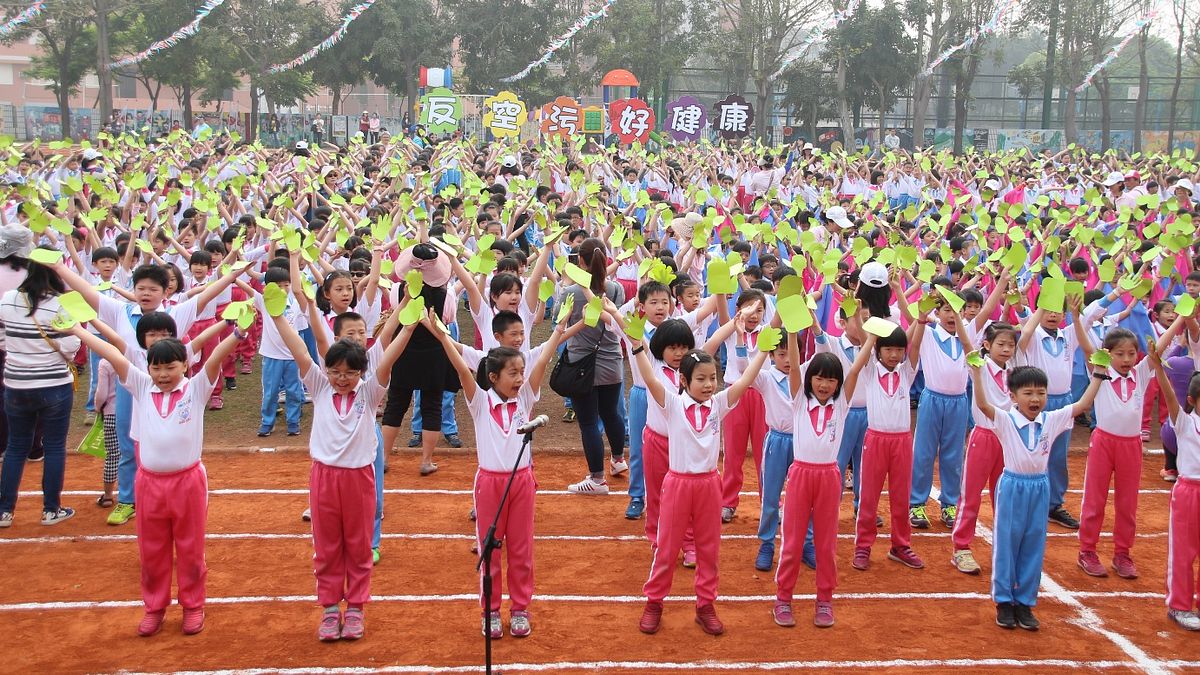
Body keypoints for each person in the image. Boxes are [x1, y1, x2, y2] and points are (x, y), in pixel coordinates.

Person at [70, 315, 243, 636]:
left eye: (170, 367)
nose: (163, 374)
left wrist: (237, 333)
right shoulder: (140, 385)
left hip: (188, 482)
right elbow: (113, 355)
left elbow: (215, 357)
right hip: (149, 484)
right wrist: (78, 330)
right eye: (157, 368)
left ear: (185, 365)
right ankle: (155, 607)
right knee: (152, 552)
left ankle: (193, 606)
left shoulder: (196, 388)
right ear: (148, 369)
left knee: (190, 551)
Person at [269, 289, 414, 642]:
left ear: (361, 372)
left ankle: (357, 609)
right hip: (324, 478)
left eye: (349, 372)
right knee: (328, 546)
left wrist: (407, 327)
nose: (341, 378)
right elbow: (302, 351)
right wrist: (276, 317)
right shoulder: (319, 387)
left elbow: (387, 357)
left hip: (360, 479)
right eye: (335, 371)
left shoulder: (369, 392)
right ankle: (331, 608)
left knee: (359, 545)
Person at [633, 316, 770, 636]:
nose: (709, 385)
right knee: (666, 548)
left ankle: (705, 605)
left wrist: (762, 351)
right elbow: (651, 378)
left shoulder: (718, 404)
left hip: (709, 485)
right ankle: (654, 602)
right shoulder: (671, 404)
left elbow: (746, 380)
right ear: (684, 381)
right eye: (702, 379)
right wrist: (637, 344)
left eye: (713, 378)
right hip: (678, 484)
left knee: (709, 549)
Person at [433, 308, 563, 639]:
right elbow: (462, 368)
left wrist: (558, 330)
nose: (521, 378)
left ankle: (520, 608)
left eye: (522, 372)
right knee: (490, 548)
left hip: (522, 482)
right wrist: (439, 333)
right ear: (493, 378)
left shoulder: (526, 399)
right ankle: (490, 611)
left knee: (522, 549)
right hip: (489, 483)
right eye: (513, 373)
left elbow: (544, 361)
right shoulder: (479, 401)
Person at [970, 359, 1103, 631]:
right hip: (1012, 487)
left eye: (1041, 393)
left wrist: (1099, 376)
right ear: (1013, 396)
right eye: (1028, 393)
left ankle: (1025, 602)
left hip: (1040, 487)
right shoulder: (1006, 420)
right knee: (1007, 542)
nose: (1035, 399)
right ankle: (1004, 601)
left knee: (1034, 543)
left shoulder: (1051, 419)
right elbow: (984, 406)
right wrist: (976, 374)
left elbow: (1082, 406)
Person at [774, 334, 867, 628]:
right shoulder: (799, 399)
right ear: (809, 378)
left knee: (826, 545)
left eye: (830, 380)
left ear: (838, 384)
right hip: (801, 476)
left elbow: (855, 369)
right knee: (792, 543)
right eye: (818, 378)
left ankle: (824, 599)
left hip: (829, 478)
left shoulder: (841, 406)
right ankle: (783, 598)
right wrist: (791, 333)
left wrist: (872, 338)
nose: (824, 385)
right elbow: (795, 368)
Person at [0, 250, 80, 528]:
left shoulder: (8, 299)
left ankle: (4, 510)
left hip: (16, 383)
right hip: (54, 383)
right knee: (54, 445)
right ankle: (51, 509)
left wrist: (17, 351)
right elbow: (72, 346)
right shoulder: (60, 304)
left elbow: (1, 335)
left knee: (16, 446)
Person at [852, 321, 925, 571]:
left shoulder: (906, 372)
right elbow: (864, 348)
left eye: (898, 350)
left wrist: (922, 320)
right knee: (869, 497)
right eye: (888, 350)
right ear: (878, 351)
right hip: (876, 440)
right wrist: (869, 335)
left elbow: (915, 346)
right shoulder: (870, 370)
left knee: (901, 496)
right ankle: (863, 546)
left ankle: (900, 545)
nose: (894, 355)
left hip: (902, 441)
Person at [951, 322, 1018, 574]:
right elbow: (968, 343)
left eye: (1011, 345)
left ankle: (1004, 548)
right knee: (971, 494)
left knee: (1003, 496)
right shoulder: (979, 366)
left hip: (1008, 438)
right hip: (984, 437)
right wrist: (958, 314)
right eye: (1000, 344)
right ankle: (961, 548)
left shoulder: (1015, 370)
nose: (1006, 349)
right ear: (987, 346)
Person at [563, 238, 627, 496]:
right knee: (612, 413)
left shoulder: (571, 292)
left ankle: (597, 479)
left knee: (589, 421)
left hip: (581, 363)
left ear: (580, 261)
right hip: (612, 361)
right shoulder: (616, 289)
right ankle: (618, 458)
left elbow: (560, 321)